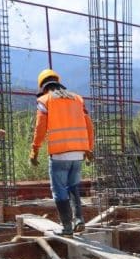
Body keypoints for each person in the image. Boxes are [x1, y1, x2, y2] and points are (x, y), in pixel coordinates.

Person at [29, 68, 94, 235]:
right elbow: (89, 125)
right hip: (78, 154)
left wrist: (34, 151)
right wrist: (88, 149)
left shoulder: (45, 100)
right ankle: (79, 219)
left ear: (43, 87)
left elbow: (40, 128)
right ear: (58, 83)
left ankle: (66, 227)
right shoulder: (77, 99)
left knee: (59, 191)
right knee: (73, 187)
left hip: (59, 155)